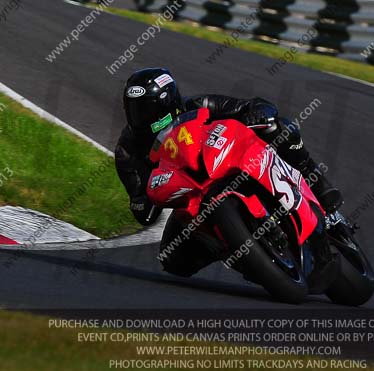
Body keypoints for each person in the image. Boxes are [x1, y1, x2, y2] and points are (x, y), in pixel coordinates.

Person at [115, 68, 344, 278]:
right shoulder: (127, 150)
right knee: (173, 259)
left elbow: (253, 106)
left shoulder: (198, 104)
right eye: (135, 110)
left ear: (168, 103)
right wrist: (145, 200)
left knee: (279, 127)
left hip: (231, 162)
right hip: (191, 195)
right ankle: (241, 252)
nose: (141, 117)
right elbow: (142, 210)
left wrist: (258, 114)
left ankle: (318, 183)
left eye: (147, 109)